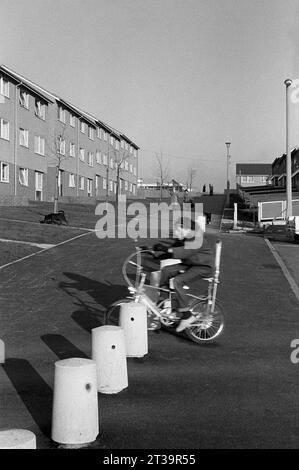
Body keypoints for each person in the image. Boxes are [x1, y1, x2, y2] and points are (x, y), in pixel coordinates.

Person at [153, 217, 213, 332]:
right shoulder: (185, 237)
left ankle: (187, 315)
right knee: (166, 270)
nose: (175, 233)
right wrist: (154, 252)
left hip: (203, 268)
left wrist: (165, 249)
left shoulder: (197, 239)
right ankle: (164, 300)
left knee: (177, 281)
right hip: (191, 264)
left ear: (184, 228)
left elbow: (184, 251)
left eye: (177, 230)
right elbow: (173, 249)